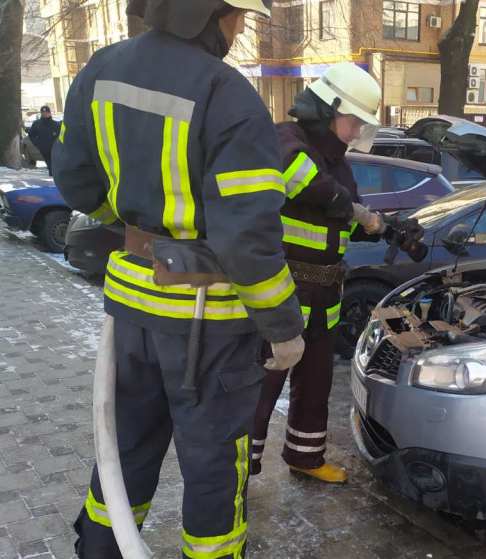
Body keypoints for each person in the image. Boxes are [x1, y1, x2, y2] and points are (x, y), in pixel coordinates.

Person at [52, 1, 306, 557]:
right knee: (214, 470)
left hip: (130, 308)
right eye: (237, 15)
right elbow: (246, 239)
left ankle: (99, 550)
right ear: (206, 13)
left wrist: (135, 226)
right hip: (207, 326)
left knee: (124, 454)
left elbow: (73, 179)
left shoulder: (100, 69)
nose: (240, 29)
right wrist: (284, 328)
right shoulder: (227, 92)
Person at [250, 63, 413, 483]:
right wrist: (355, 210)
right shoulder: (287, 140)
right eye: (353, 119)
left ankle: (305, 457)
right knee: (261, 386)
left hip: (324, 295)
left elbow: (347, 215)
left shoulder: (338, 163)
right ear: (328, 109)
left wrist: (388, 227)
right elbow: (305, 183)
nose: (357, 130)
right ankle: (237, 469)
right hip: (284, 292)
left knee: (316, 383)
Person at [28, 106, 61, 176]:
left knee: (56, 164)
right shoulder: (37, 124)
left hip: (55, 148)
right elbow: (31, 135)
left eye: (46, 112)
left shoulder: (55, 124)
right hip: (44, 148)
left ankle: (55, 176)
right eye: (43, 113)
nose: (45, 114)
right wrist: (37, 143)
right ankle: (52, 176)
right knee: (50, 165)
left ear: (49, 113)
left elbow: (60, 135)